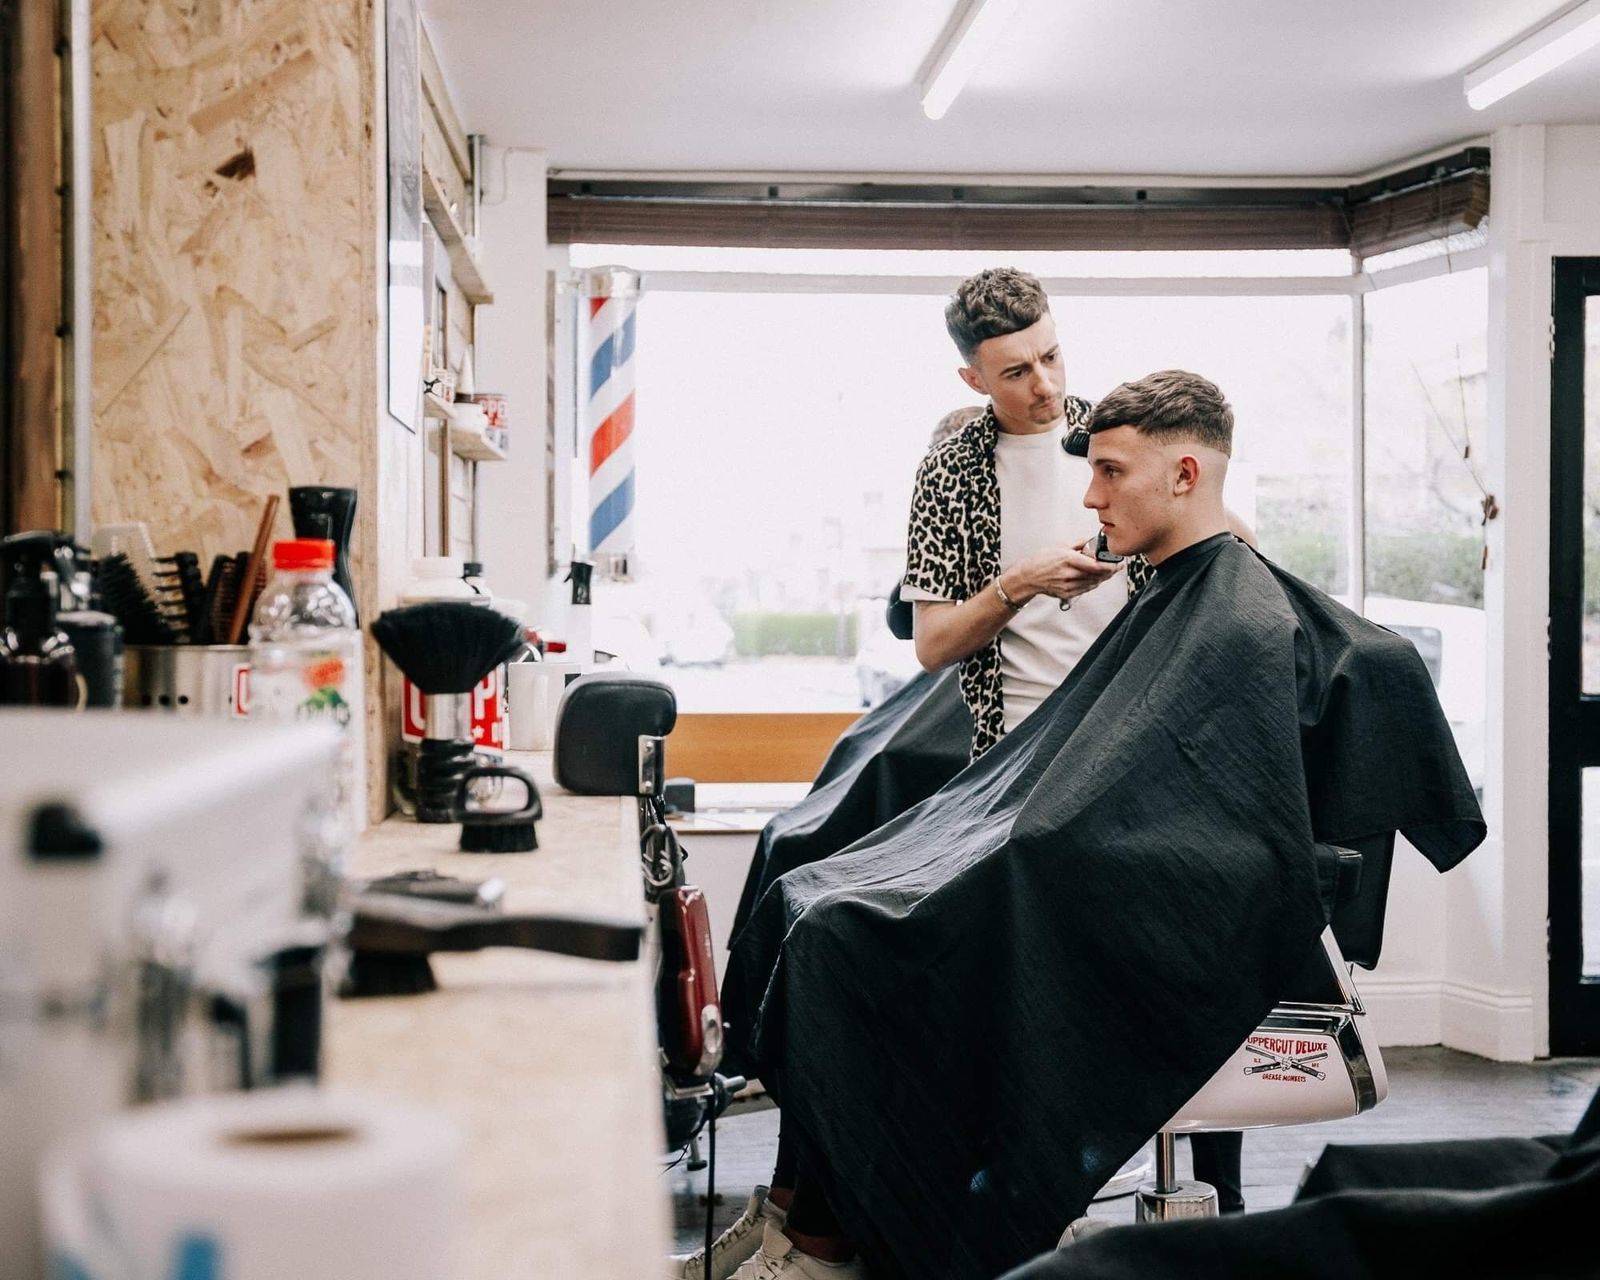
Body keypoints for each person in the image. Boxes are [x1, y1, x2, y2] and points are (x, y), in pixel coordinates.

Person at [710, 369, 1481, 1280]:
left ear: (1185, 476)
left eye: (1111, 471)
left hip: (1167, 919)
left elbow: (1193, 817)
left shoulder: (1236, 616)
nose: (1090, 495)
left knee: (848, 943)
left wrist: (1019, 850)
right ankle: (800, 1224)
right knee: (810, 897)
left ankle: (829, 1249)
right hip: (1106, 875)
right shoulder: (1174, 589)